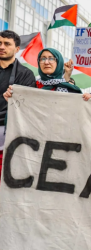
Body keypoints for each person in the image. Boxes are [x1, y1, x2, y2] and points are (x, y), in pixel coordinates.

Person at [0, 30, 36, 180]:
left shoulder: (26, 74)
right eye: (0, 43)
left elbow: (29, 106)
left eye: (7, 44)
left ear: (16, 49)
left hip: (8, 131)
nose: (2, 47)